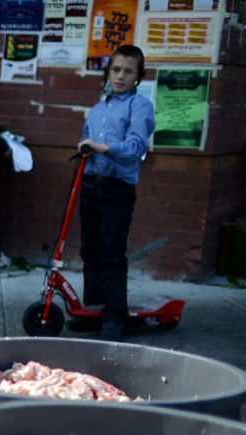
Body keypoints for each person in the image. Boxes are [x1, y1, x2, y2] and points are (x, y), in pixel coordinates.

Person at [73, 44, 156, 341]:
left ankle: (114, 316)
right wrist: (83, 144)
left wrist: (102, 147)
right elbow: (87, 137)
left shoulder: (140, 106)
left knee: (111, 252)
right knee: (89, 250)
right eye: (116, 69)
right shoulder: (98, 109)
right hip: (91, 185)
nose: (121, 76)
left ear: (139, 77)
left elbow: (136, 148)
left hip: (117, 189)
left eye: (128, 71)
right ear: (108, 73)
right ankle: (93, 310)